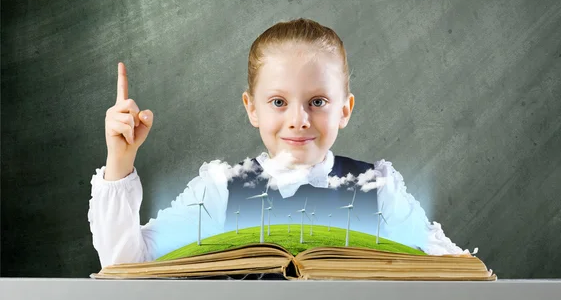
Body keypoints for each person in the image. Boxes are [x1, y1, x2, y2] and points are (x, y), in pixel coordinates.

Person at [88, 18, 473, 270]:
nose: (299, 119)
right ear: (251, 108)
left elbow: (452, 273)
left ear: (345, 109)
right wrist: (119, 161)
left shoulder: (380, 190)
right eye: (278, 102)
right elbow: (125, 264)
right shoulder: (219, 191)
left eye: (318, 102)